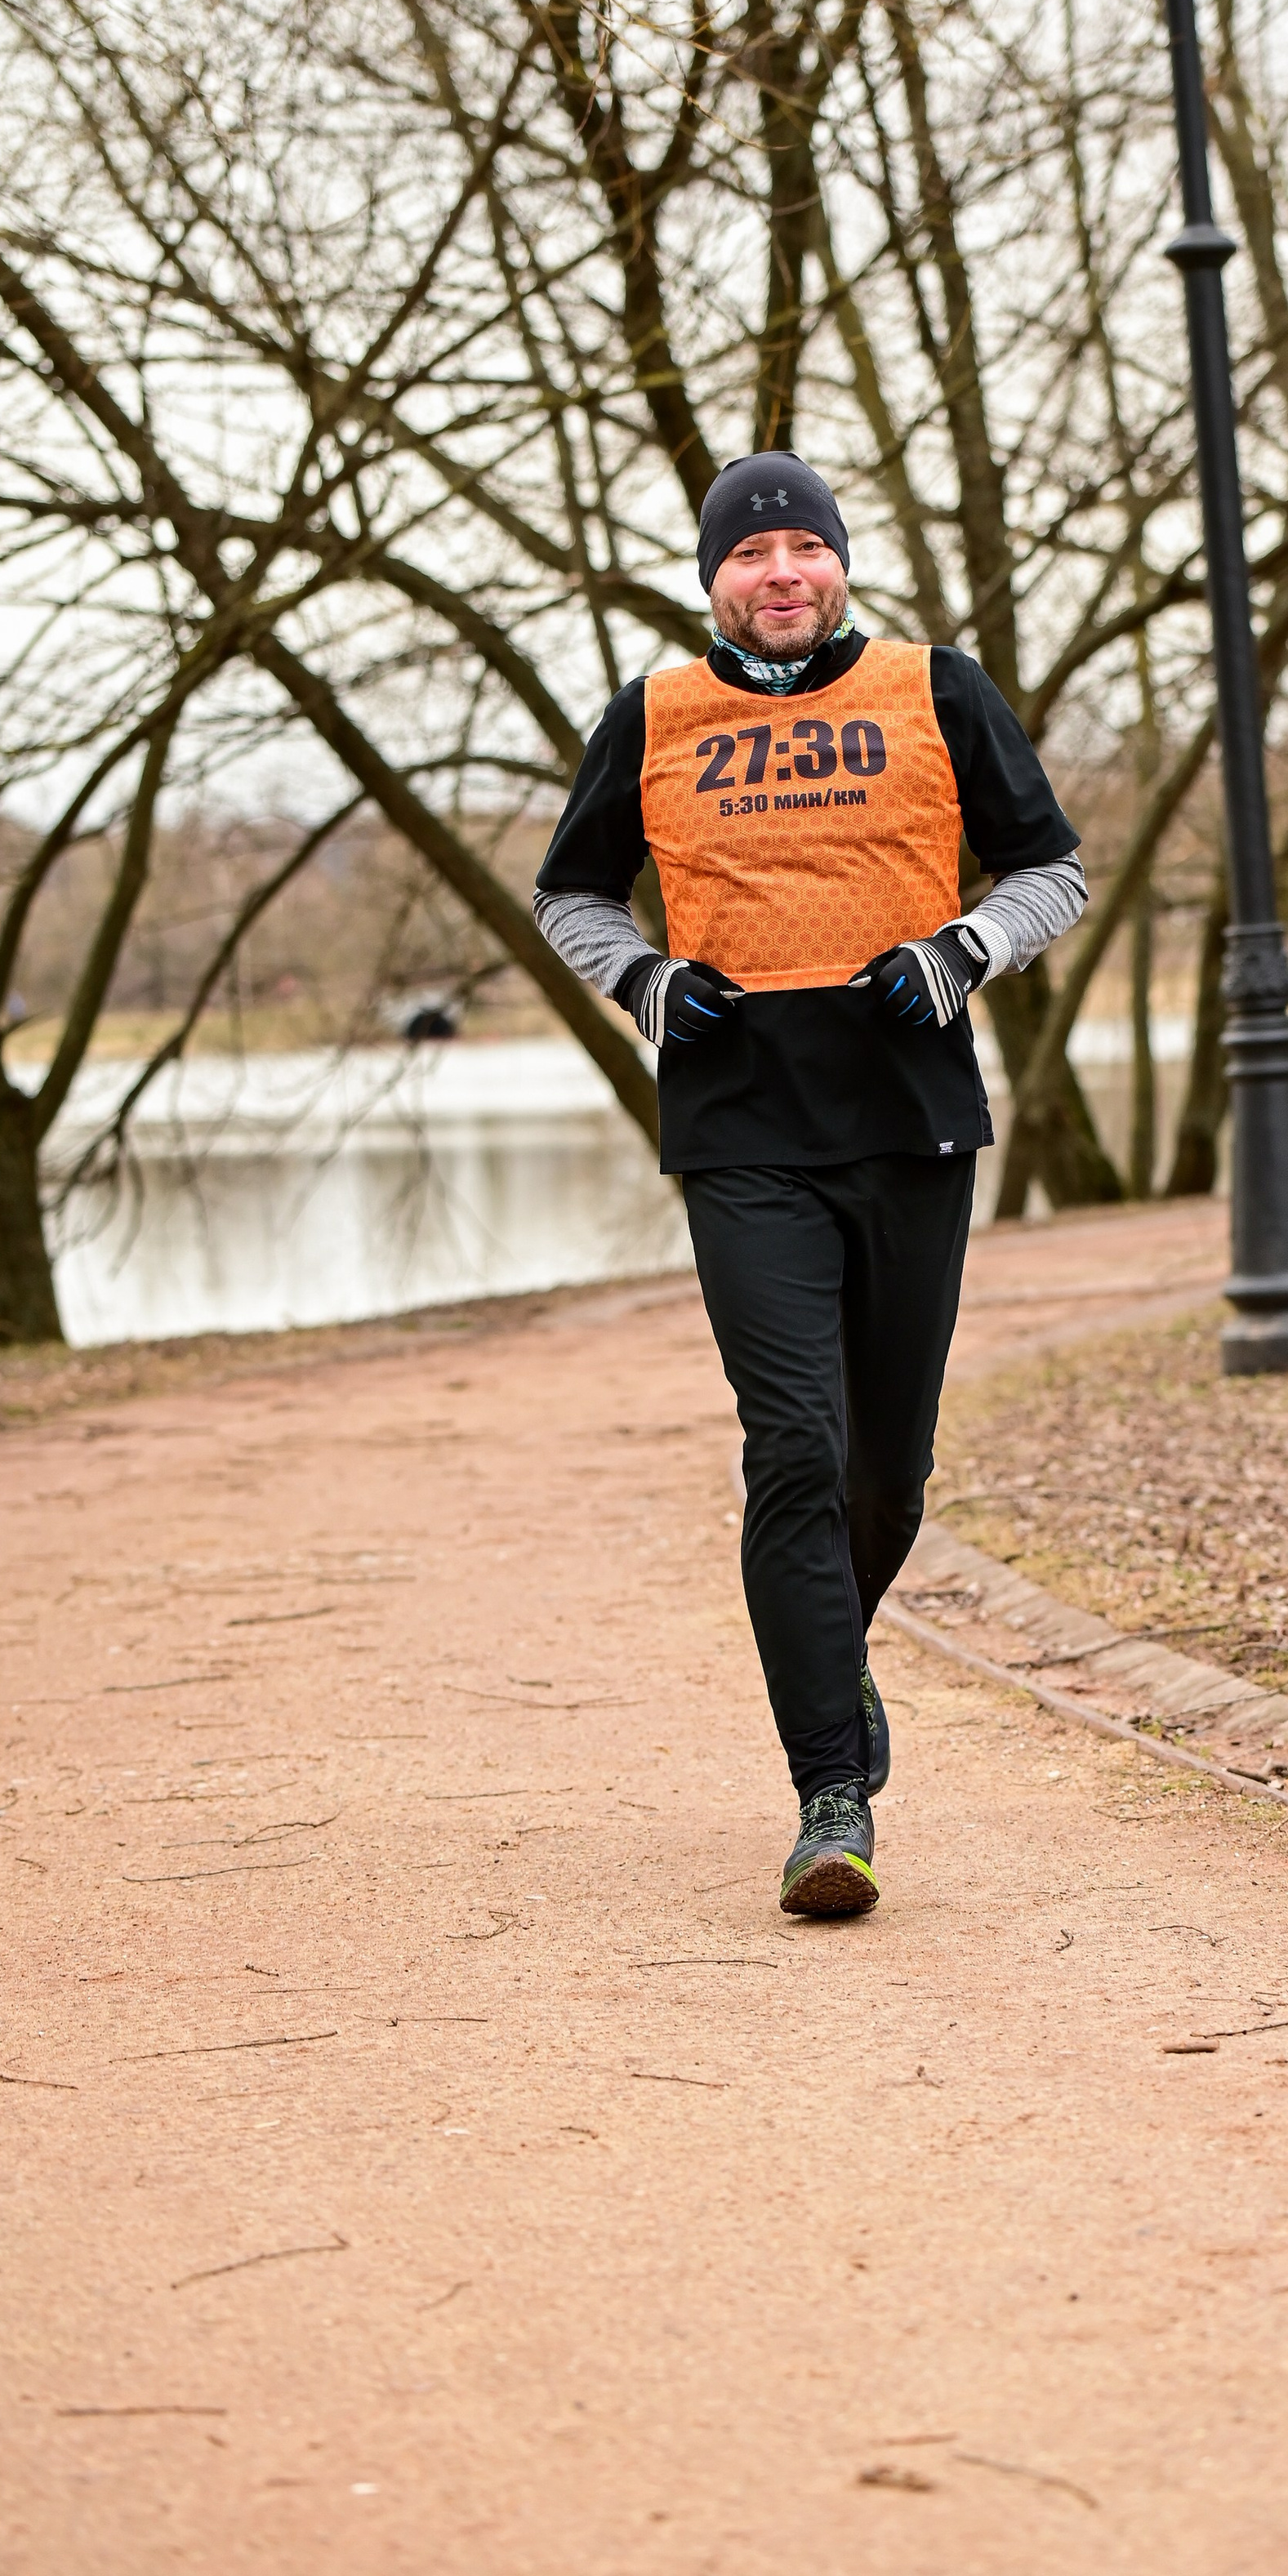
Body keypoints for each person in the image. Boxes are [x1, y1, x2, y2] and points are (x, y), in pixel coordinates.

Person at [533, 452, 1086, 1918]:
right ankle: (829, 1792)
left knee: (883, 1474)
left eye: (803, 547)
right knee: (792, 1446)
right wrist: (644, 979)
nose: (780, 571)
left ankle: (828, 1653)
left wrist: (961, 952)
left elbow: (1053, 867)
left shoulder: (939, 689)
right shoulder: (650, 717)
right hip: (741, 1129)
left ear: (838, 564)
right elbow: (569, 891)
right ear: (712, 577)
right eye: (750, 552)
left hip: (913, 1119)